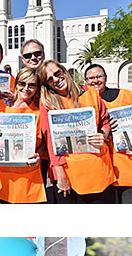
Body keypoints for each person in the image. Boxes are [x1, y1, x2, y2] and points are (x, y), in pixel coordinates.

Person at [38, 60, 114, 203]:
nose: (56, 80)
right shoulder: (47, 102)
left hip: (97, 168)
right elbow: (50, 142)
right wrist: (60, 175)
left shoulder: (91, 93)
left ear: (64, 71)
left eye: (57, 73)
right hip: (68, 173)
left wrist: (102, 134)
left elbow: (105, 121)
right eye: (49, 79)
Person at [84, 64, 132, 204]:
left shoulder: (127, 96)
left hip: (130, 166)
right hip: (99, 169)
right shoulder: (80, 102)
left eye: (99, 76)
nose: (95, 80)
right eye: (91, 78)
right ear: (86, 81)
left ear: (105, 78)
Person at [0, 67, 46, 203]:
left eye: (31, 85)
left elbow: (45, 142)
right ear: (16, 84)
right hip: (3, 175)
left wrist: (39, 154)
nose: (26, 88)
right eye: (22, 83)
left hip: (29, 176)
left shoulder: (40, 111)